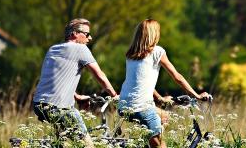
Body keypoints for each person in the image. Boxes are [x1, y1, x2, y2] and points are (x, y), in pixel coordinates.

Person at [118, 19, 211, 148]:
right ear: (154, 34)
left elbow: (141, 82)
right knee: (160, 145)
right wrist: (197, 95)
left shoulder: (131, 54)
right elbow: (177, 76)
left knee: (164, 115)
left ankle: (149, 138)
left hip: (123, 105)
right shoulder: (157, 51)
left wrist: (159, 98)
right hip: (141, 107)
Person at [32, 18, 118, 147]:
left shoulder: (53, 49)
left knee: (63, 143)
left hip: (38, 104)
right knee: (88, 145)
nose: (90, 38)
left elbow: (56, 80)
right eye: (87, 34)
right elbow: (99, 75)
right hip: (59, 107)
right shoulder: (80, 48)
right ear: (74, 34)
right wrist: (114, 95)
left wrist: (77, 96)